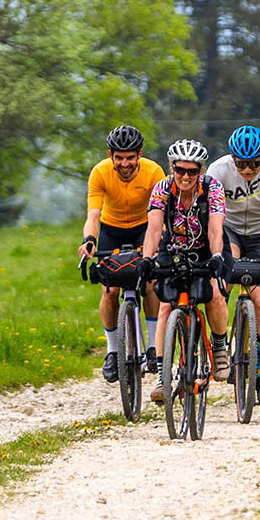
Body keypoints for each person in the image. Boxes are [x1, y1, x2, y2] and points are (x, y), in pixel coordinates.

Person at [207, 123, 260, 406]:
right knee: (223, 285)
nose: (246, 171)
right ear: (232, 159)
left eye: (253, 164)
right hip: (229, 230)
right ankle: (224, 345)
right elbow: (209, 215)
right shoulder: (217, 171)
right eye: (241, 165)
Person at [140, 137, 227, 400]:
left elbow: (215, 227)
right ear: (172, 169)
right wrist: (147, 257)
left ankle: (220, 349)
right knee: (167, 304)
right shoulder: (162, 189)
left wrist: (217, 255)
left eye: (192, 171)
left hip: (205, 249)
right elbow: (154, 228)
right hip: (173, 249)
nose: (185, 176)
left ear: (201, 170)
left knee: (214, 292)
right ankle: (162, 376)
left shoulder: (213, 189)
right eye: (180, 170)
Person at [79, 123, 165, 384]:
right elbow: (93, 213)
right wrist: (89, 240)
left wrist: (158, 240)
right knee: (109, 290)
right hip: (111, 229)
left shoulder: (153, 172)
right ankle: (113, 351)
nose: (125, 164)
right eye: (119, 158)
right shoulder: (100, 173)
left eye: (130, 158)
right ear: (110, 155)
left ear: (139, 155)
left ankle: (152, 347)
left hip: (143, 228)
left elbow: (159, 214)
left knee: (149, 282)